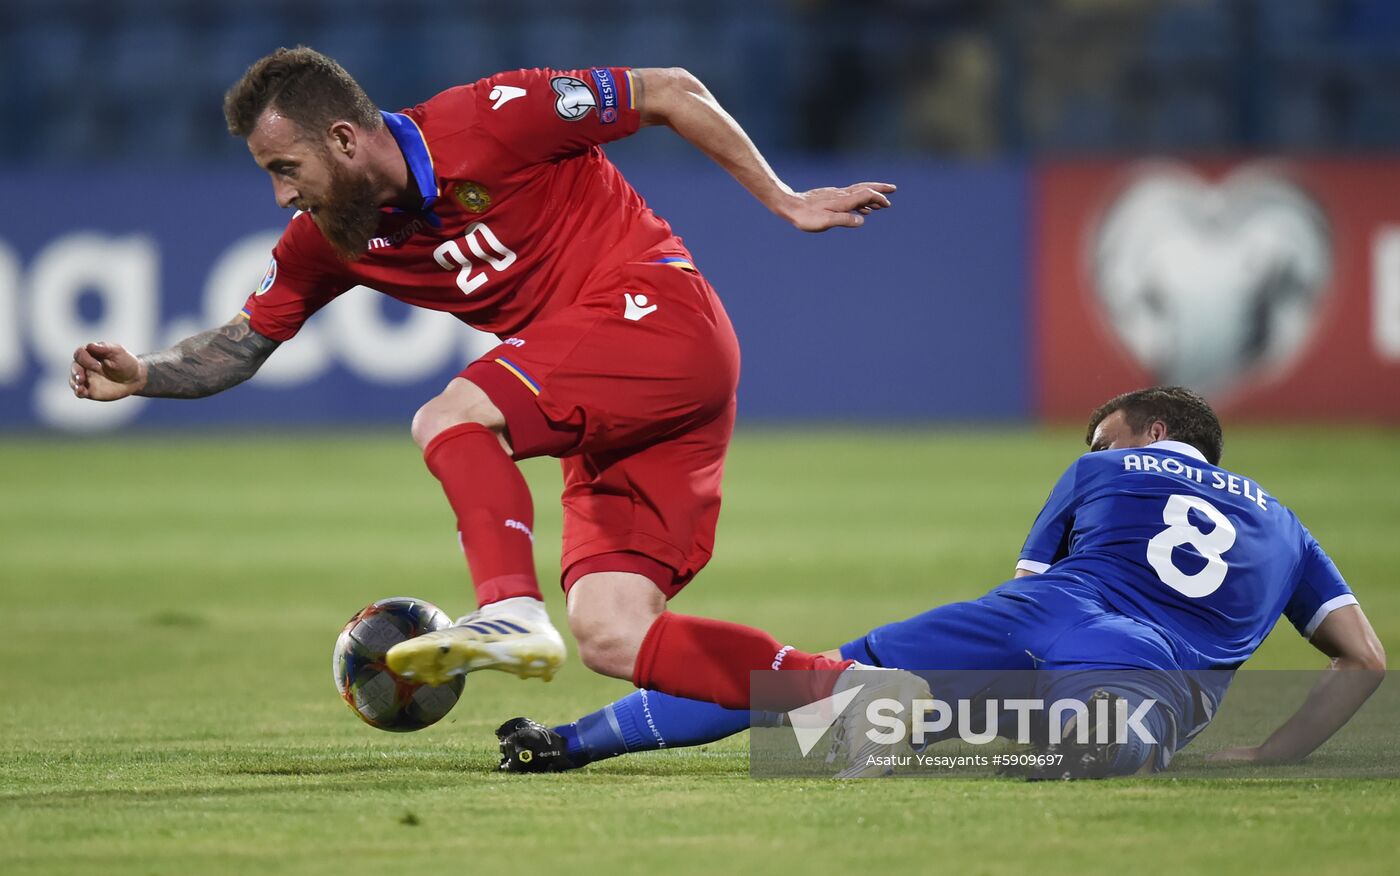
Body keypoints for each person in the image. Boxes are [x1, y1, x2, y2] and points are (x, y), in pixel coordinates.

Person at [67, 47, 928, 773]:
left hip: (657, 315)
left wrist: (782, 198)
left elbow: (667, 89)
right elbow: (240, 344)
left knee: (450, 418)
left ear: (342, 137)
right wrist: (142, 374)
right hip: (618, 399)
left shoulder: (494, 116)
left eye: (285, 170)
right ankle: (871, 707)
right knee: (614, 634)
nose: (283, 196)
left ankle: (510, 609)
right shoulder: (330, 240)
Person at [496, 387, 1386, 777]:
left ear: (1152, 431)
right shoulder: (1287, 526)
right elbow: (1364, 662)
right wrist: (1277, 754)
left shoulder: (1105, 473)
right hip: (1148, 662)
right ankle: (1083, 739)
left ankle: (571, 743)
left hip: (1041, 613)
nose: (1097, 453)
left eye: (1106, 438)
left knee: (802, 685)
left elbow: (1032, 578)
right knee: (1102, 742)